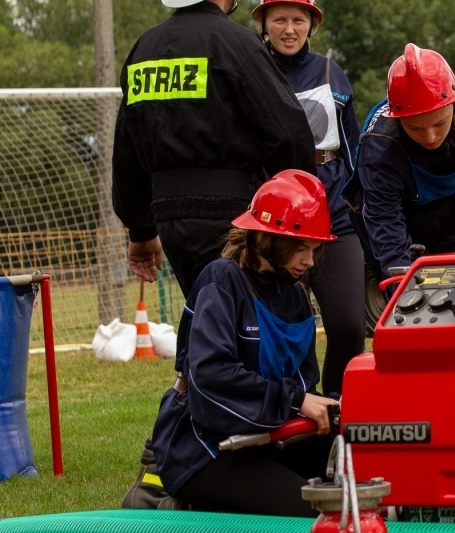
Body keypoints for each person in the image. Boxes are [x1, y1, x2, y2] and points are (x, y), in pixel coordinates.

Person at [147, 170, 340, 515]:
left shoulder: (295, 295)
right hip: (205, 449)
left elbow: (303, 384)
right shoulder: (221, 280)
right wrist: (297, 402)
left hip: (268, 439)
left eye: (315, 249)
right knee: (318, 510)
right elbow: (211, 378)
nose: (309, 261)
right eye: (300, 248)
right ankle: (179, 500)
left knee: (368, 465)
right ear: (267, 239)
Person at [112, 0, 317, 299]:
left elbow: (126, 152)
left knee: (204, 314)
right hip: (231, 217)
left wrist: (141, 231)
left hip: (168, 218)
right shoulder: (235, 43)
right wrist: (297, 211)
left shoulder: (143, 49)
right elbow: (289, 133)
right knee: (240, 320)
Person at [252, 0, 365, 395]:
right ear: (264, 23)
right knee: (283, 329)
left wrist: (358, 208)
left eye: (298, 20)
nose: (288, 29)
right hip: (277, 221)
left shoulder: (332, 72)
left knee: (350, 326)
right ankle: (293, 416)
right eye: (278, 19)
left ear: (310, 25)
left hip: (334, 214)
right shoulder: (251, 69)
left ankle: (340, 415)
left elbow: (352, 150)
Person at [342, 43, 455, 290]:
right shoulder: (379, 151)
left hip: (452, 203)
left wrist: (454, 268)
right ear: (399, 119)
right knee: (412, 297)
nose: (430, 137)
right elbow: (390, 242)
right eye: (414, 128)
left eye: (439, 123)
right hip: (389, 214)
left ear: (454, 105)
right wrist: (409, 294)